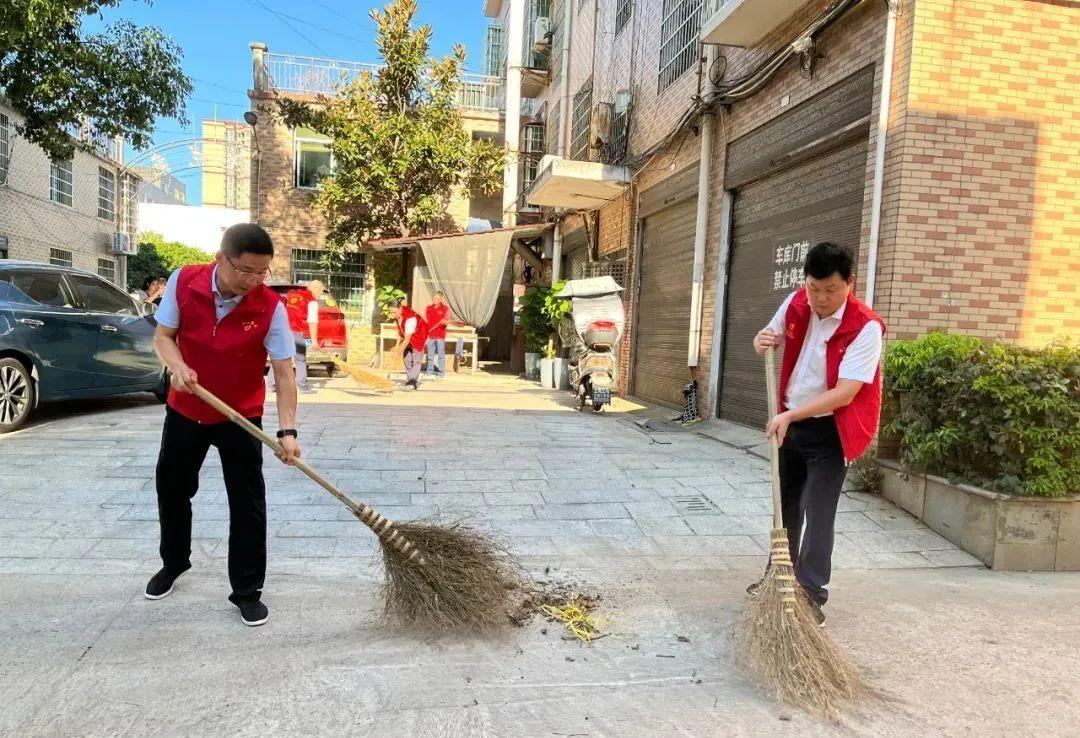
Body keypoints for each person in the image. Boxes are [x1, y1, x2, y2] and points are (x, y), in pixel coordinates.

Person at [144, 223, 302, 628]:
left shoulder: (270, 306)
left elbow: (284, 372)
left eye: (262, 272)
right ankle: (174, 562)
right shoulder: (184, 281)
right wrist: (177, 366)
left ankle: (247, 591)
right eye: (245, 270)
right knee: (172, 488)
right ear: (221, 259)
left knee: (248, 503)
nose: (253, 281)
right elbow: (163, 337)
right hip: (186, 408)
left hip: (240, 416)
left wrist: (287, 432)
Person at [748, 242, 885, 626]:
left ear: (849, 283)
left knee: (818, 513)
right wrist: (760, 341)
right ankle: (777, 579)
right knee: (785, 507)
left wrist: (791, 415)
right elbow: (767, 337)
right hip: (790, 423)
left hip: (831, 431)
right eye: (814, 288)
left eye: (831, 290)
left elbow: (846, 392)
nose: (821, 298)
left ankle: (810, 593)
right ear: (805, 281)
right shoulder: (796, 303)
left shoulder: (865, 327)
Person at [269, 279, 324, 395]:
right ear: (316, 289)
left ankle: (273, 385)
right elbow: (312, 321)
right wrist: (314, 341)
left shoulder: (292, 294)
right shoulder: (311, 301)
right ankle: (303, 387)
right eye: (321, 291)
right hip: (294, 330)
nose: (321, 294)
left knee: (279, 356)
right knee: (300, 358)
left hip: (280, 329)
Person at [387, 298, 428, 390]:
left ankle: (412, 382)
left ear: (400, 308)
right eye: (391, 313)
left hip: (419, 337)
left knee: (416, 360)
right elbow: (400, 332)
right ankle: (409, 379)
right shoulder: (398, 316)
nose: (393, 315)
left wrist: (399, 351)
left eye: (394, 312)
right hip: (408, 338)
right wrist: (397, 346)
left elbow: (407, 339)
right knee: (407, 359)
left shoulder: (410, 318)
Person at [424, 291, 451, 379]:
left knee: (441, 355)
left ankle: (441, 373)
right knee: (430, 355)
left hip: (440, 336)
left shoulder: (445, 309)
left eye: (437, 298)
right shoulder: (428, 308)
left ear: (441, 299)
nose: (435, 300)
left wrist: (445, 322)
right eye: (434, 298)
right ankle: (429, 371)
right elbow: (425, 320)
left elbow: (448, 321)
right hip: (430, 335)